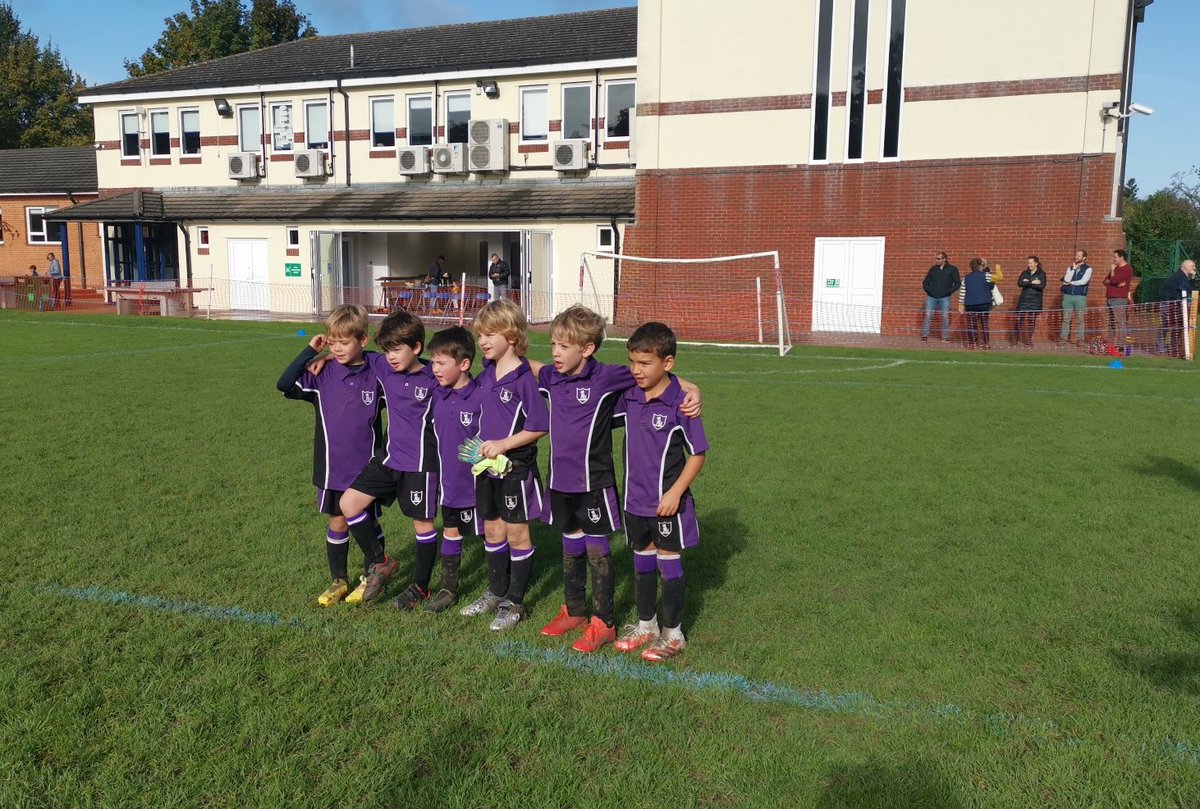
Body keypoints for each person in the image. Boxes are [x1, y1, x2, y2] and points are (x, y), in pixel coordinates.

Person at [534, 305, 702, 654]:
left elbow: (660, 379)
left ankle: (638, 627)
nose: (555, 352)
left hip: (602, 483)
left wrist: (693, 389)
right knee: (583, 544)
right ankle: (584, 611)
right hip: (599, 492)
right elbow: (527, 368)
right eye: (553, 345)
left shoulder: (614, 380)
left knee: (613, 552)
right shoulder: (560, 378)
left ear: (588, 348)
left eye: (564, 345)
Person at [275, 305, 387, 607]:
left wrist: (374, 358)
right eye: (332, 342)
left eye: (345, 342)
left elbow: (412, 369)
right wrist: (311, 351)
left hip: (367, 470)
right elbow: (284, 384)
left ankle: (372, 578)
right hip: (331, 468)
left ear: (363, 340)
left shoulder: (376, 374)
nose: (337, 348)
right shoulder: (321, 375)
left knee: (368, 523)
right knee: (338, 521)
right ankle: (339, 579)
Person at [612, 322, 708, 662]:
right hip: (634, 501)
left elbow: (698, 454)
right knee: (641, 563)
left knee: (668, 563)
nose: (636, 370)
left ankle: (673, 634)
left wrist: (675, 493)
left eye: (645, 363)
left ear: (667, 363)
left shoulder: (681, 403)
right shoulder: (630, 396)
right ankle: (646, 625)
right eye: (632, 362)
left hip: (667, 504)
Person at [333, 309, 441, 607]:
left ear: (417, 347)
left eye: (397, 349)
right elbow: (351, 353)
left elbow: (466, 384)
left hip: (421, 465)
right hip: (388, 459)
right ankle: (381, 562)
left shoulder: (435, 375)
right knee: (348, 503)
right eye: (387, 350)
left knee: (423, 525)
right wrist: (322, 358)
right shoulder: (382, 366)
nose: (391, 356)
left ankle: (420, 587)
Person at [460, 299, 549, 631]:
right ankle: (496, 592)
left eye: (490, 334)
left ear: (511, 335)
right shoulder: (486, 373)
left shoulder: (525, 378)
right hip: (488, 467)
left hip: (516, 469)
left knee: (516, 532)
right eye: (480, 334)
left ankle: (515, 602)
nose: (483, 341)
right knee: (493, 529)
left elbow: (539, 426)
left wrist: (503, 445)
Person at [422, 326, 484, 613]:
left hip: (480, 483)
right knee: (451, 531)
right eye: (432, 362)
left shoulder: (481, 395)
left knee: (492, 534)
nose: (434, 369)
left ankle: (503, 586)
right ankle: (449, 587)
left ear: (464, 364)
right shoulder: (437, 391)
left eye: (441, 363)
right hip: (449, 483)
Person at [1158, 259, 1197, 357]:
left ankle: (1170, 347)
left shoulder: (1181, 276)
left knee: (1173, 326)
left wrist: (1192, 278)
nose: (1194, 268)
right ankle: (1165, 348)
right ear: (1185, 267)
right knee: (1167, 326)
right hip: (1170, 304)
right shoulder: (1181, 276)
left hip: (1173, 303)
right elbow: (1187, 289)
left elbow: (1188, 290)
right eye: (1192, 266)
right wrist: (1192, 279)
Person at [921, 252, 960, 342]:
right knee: (928, 315)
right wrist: (929, 291)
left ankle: (944, 337)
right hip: (931, 297)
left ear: (944, 259)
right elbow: (925, 282)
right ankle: (925, 336)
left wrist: (948, 292)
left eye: (938, 259)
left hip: (945, 297)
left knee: (945, 317)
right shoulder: (933, 269)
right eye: (936, 258)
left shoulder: (952, 269)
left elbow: (957, 283)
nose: (936, 260)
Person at [958, 257, 994, 350]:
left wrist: (960, 304)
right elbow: (995, 280)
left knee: (971, 324)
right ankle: (986, 344)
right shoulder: (986, 275)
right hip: (983, 303)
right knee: (984, 324)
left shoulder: (966, 278)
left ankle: (972, 343)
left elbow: (962, 292)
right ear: (980, 266)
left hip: (970, 304)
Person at [1059, 249, 1091, 344]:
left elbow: (1083, 281)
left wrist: (1070, 283)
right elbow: (1066, 279)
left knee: (1080, 319)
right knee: (1066, 318)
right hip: (1068, 296)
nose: (1076, 257)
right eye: (1076, 255)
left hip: (1080, 297)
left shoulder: (1088, 268)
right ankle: (1063, 338)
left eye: (1079, 255)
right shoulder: (1070, 268)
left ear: (1084, 258)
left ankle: (1080, 339)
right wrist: (1073, 269)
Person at [1014, 256, 1047, 346]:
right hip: (1024, 299)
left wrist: (1027, 282)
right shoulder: (1025, 273)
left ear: (1036, 263)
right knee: (1019, 320)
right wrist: (1032, 282)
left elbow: (1041, 286)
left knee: (1031, 321)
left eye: (1031, 263)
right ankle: (1015, 339)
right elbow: (1020, 283)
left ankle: (1029, 340)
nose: (1029, 265)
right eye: (1028, 263)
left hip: (1035, 300)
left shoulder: (1042, 274)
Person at [1104, 249, 1134, 345]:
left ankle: (1121, 345)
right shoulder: (1116, 268)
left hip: (1119, 299)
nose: (1113, 259)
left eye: (1115, 257)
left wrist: (1112, 273)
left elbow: (1113, 280)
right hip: (1110, 298)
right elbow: (1105, 281)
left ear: (1121, 257)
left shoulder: (1127, 268)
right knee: (1110, 323)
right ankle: (1111, 344)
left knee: (1120, 322)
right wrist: (1113, 281)